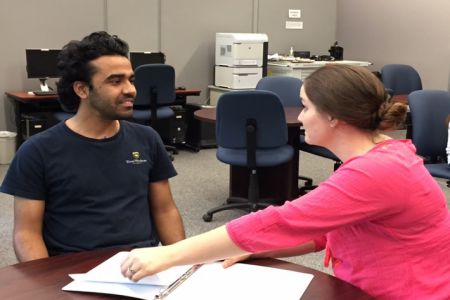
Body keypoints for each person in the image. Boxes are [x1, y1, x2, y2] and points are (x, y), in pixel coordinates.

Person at [120, 65, 450, 299]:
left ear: (334, 116)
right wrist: (254, 249)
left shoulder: (376, 172)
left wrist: (169, 255)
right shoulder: (382, 156)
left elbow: (282, 220)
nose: (301, 116)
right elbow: (324, 232)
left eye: (305, 107)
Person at [0, 31, 185, 262]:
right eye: (115, 81)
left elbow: (165, 210)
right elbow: (26, 233)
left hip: (141, 264)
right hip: (73, 270)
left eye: (131, 79)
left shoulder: (147, 138)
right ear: (82, 90)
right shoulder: (37, 151)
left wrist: (182, 265)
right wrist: (45, 288)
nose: (130, 90)